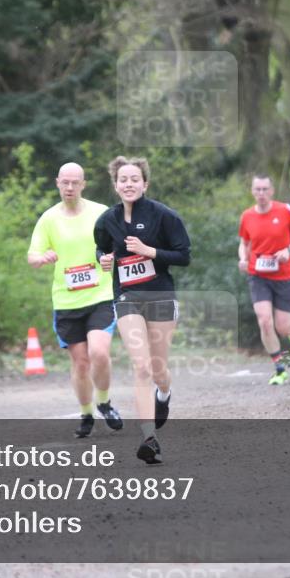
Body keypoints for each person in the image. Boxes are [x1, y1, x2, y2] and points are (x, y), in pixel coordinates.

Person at [95, 156, 190, 465]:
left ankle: (164, 394)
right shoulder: (107, 220)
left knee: (159, 369)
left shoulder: (164, 216)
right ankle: (149, 438)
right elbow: (101, 248)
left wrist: (151, 252)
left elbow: (183, 255)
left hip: (160, 296)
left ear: (145, 183)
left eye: (135, 179)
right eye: (123, 179)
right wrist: (104, 259)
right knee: (142, 367)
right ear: (115, 184)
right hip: (127, 297)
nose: (129, 184)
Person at [28, 163, 123, 438]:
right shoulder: (48, 219)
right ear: (57, 183)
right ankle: (86, 413)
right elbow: (32, 255)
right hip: (67, 302)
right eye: (64, 183)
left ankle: (104, 401)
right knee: (80, 362)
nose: (69, 188)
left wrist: (110, 258)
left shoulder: (100, 213)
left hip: (100, 295)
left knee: (99, 353)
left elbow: (119, 247)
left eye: (74, 183)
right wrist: (42, 258)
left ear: (83, 184)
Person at [238, 175, 290, 385]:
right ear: (252, 191)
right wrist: (243, 258)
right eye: (257, 189)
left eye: (265, 189)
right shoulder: (247, 216)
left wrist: (289, 250)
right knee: (264, 320)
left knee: (283, 329)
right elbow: (244, 243)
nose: (261, 193)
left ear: (271, 191)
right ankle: (279, 368)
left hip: (284, 276)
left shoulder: (285, 210)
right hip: (258, 275)